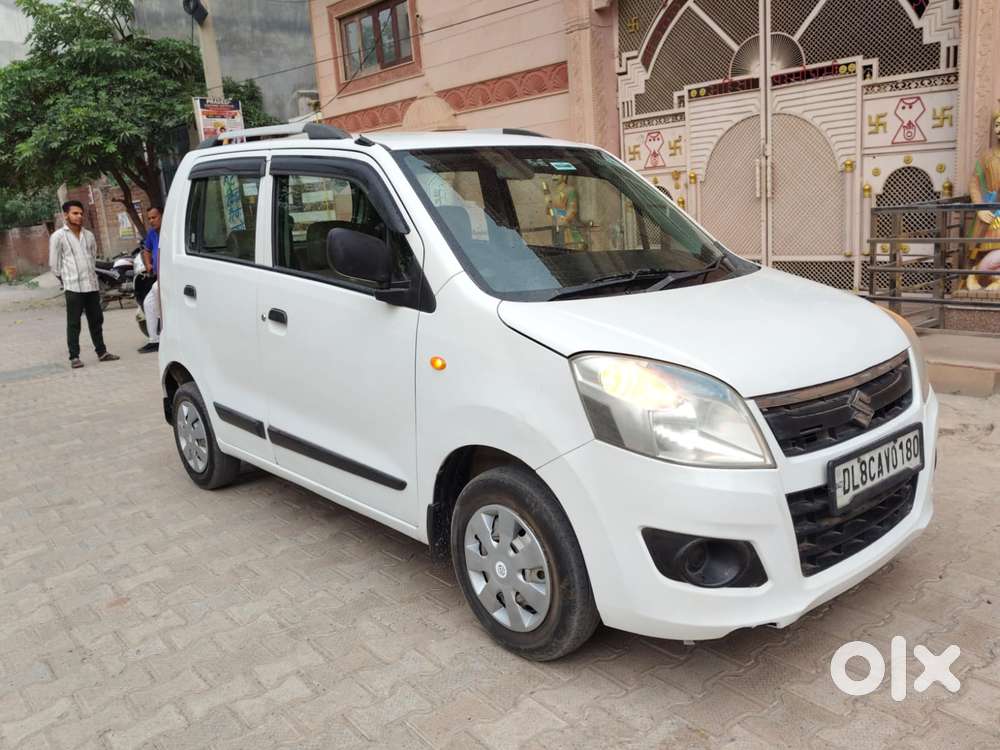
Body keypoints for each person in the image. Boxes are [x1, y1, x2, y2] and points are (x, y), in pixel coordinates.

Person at [49, 200, 120, 368]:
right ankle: (74, 357)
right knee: (74, 322)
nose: (79, 216)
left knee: (96, 319)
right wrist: (65, 279)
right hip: (73, 287)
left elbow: (92, 257)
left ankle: (102, 352)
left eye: (81, 213)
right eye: (75, 213)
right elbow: (54, 264)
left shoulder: (89, 235)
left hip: (92, 286)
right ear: (66, 215)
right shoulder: (58, 236)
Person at [138, 205, 162, 353]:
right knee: (148, 303)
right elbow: (146, 250)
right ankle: (154, 340)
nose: (152, 221)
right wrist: (148, 264)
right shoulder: (152, 234)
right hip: (159, 277)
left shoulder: (169, 230)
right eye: (149, 219)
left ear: (162, 216)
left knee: (155, 292)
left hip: (170, 276)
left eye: (155, 217)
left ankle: (164, 334)